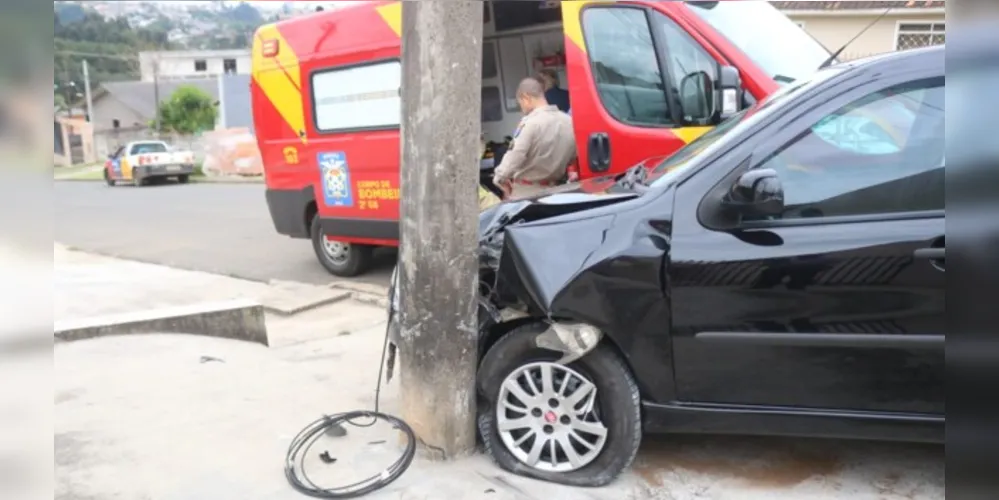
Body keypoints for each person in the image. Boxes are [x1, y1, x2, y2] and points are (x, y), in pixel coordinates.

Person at [492, 77, 576, 200]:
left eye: (520, 103)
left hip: (527, 194)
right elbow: (573, 156)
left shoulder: (530, 123)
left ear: (526, 98)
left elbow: (516, 154)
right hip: (558, 191)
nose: (522, 109)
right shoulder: (569, 122)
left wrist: (499, 178)